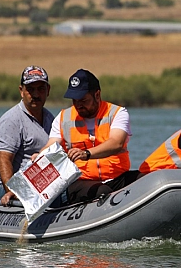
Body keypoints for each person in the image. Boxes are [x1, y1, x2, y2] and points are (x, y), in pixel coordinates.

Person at [38, 69, 137, 203]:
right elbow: (51, 145)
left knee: (150, 178)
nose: (78, 105)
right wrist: (39, 157)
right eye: (74, 100)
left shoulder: (117, 113)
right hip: (82, 182)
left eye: (83, 100)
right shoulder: (62, 118)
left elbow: (116, 143)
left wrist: (86, 154)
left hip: (117, 177)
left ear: (97, 95)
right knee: (102, 192)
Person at [0, 65, 54, 206]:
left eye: (40, 89)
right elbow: (4, 159)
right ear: (21, 91)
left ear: (48, 91)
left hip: (42, 183)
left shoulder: (50, 118)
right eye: (30, 89)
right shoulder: (12, 119)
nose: (36, 94)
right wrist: (13, 191)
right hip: (11, 186)